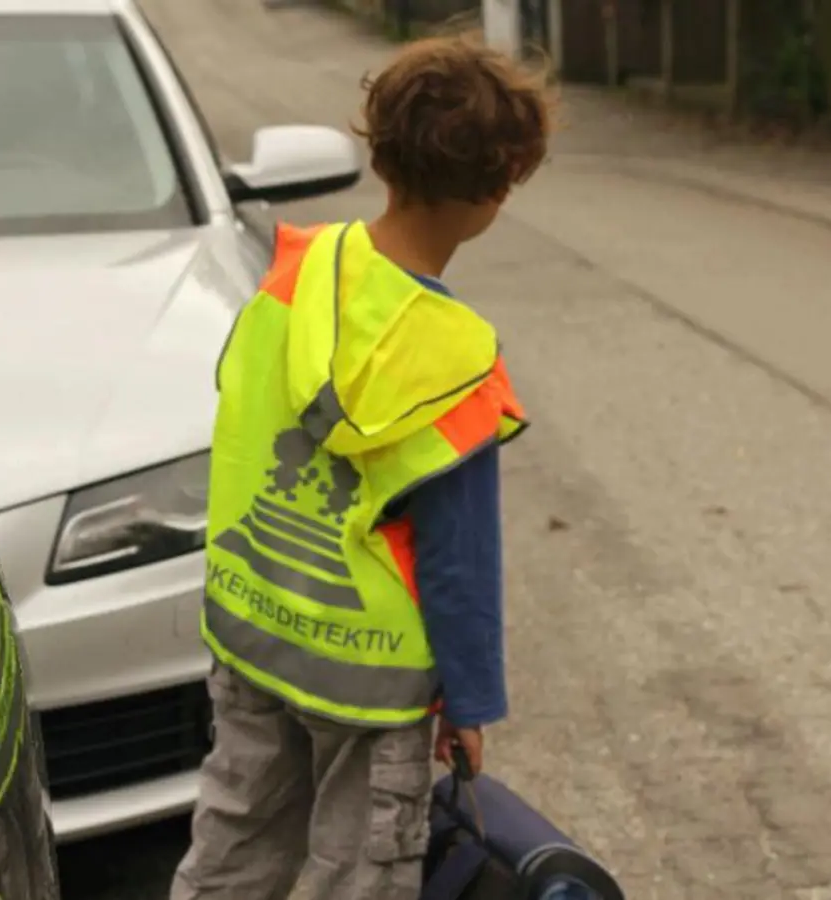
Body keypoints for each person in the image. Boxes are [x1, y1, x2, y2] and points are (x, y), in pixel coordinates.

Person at [172, 32, 554, 900]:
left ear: (378, 156)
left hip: (256, 626)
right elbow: (459, 560)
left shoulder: (295, 278)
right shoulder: (453, 358)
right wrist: (468, 704)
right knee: (356, 874)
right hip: (369, 675)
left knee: (237, 840)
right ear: (498, 190)